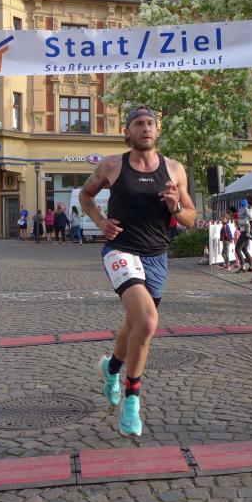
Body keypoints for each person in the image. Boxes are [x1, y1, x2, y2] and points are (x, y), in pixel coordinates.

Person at [80, 105, 196, 437]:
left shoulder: (174, 169)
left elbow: (191, 218)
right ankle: (132, 400)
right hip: (120, 250)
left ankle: (111, 368)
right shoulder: (112, 165)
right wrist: (100, 221)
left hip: (157, 256)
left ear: (158, 130)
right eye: (138, 123)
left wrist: (174, 207)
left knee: (134, 323)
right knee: (146, 321)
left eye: (150, 123)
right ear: (127, 132)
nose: (145, 128)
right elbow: (86, 196)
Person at [235, 196, 252, 272]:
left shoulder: (250, 210)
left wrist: (239, 222)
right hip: (245, 231)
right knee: (244, 249)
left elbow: (248, 221)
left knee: (237, 249)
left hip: (245, 231)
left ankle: (243, 267)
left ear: (248, 202)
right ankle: (251, 266)